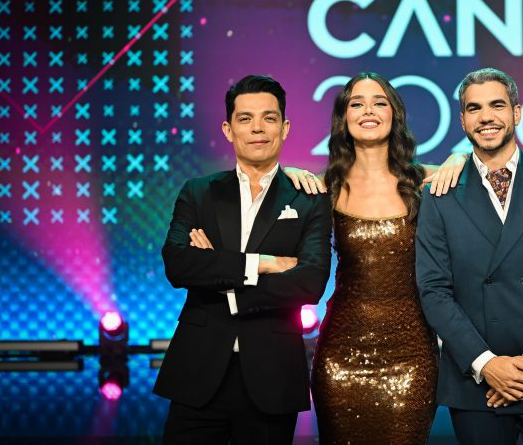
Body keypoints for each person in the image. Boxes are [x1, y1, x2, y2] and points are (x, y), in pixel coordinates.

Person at [415, 68, 523, 444]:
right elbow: (433, 290)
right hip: (476, 383)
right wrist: (487, 364)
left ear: (517, 112)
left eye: (497, 105)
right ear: (462, 119)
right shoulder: (439, 195)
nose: (486, 117)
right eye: (474, 108)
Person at [153, 75, 332, 444]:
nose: (257, 128)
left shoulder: (309, 197)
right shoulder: (199, 192)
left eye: (269, 118)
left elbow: (309, 282)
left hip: (272, 373)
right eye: (245, 118)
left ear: (284, 128)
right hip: (197, 369)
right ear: (228, 129)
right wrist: (262, 263)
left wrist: (219, 270)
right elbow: (178, 264)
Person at [311, 72, 463, 444]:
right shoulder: (324, 186)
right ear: (344, 117)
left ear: (394, 114)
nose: (369, 110)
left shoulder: (427, 181)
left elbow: (489, 175)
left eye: (379, 102)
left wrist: (462, 157)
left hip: (411, 357)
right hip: (339, 356)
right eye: (357, 103)